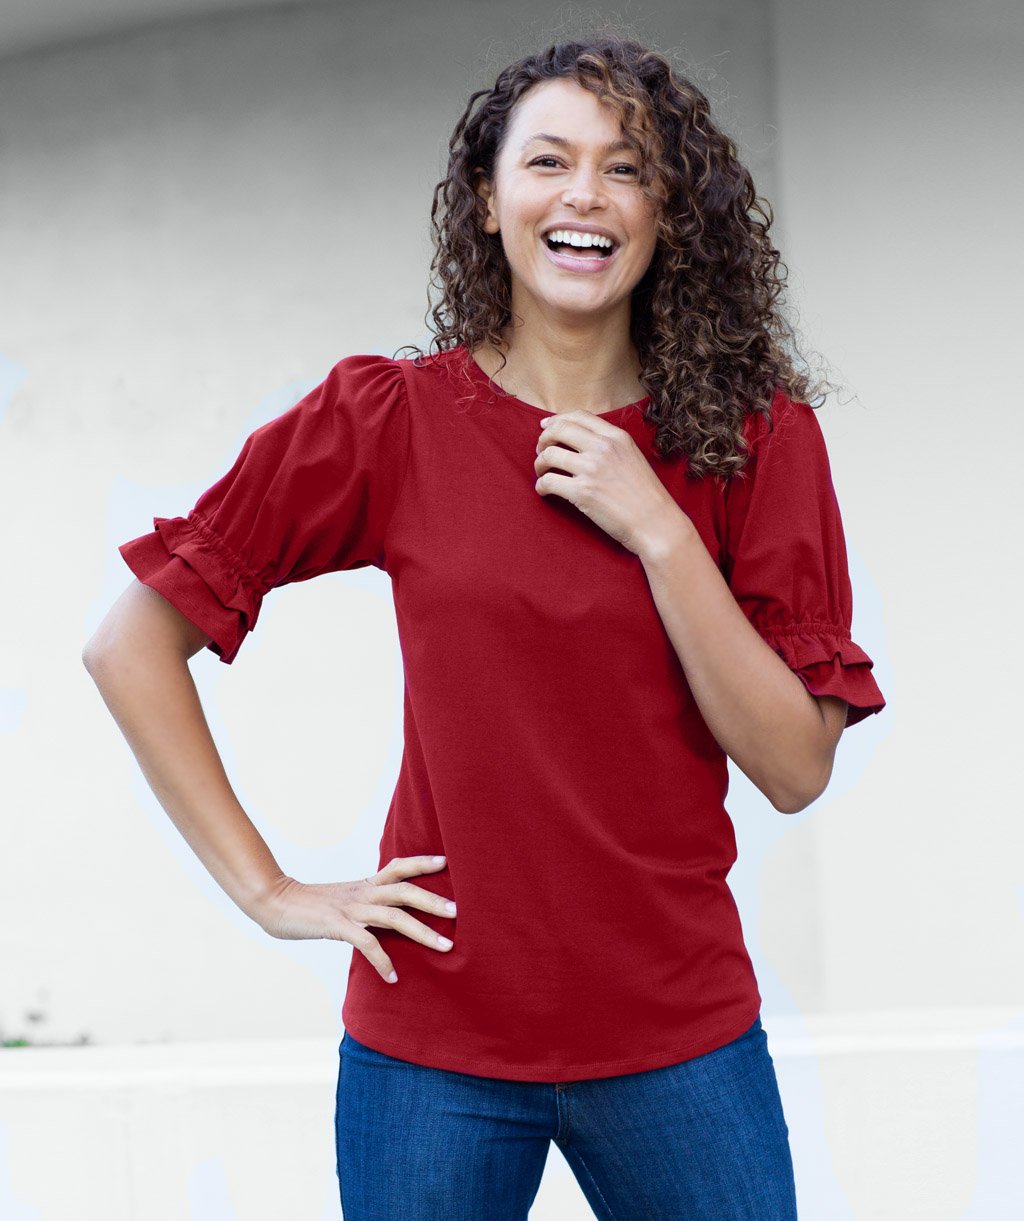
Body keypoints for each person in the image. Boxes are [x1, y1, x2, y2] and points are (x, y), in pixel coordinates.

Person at [83, 30, 886, 1221]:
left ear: (670, 210)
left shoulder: (755, 438)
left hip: (679, 1039)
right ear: (489, 201)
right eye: (548, 161)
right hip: (430, 1049)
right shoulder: (387, 421)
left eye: (627, 167)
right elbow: (129, 643)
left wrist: (659, 531)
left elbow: (793, 765)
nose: (585, 195)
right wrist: (272, 892)